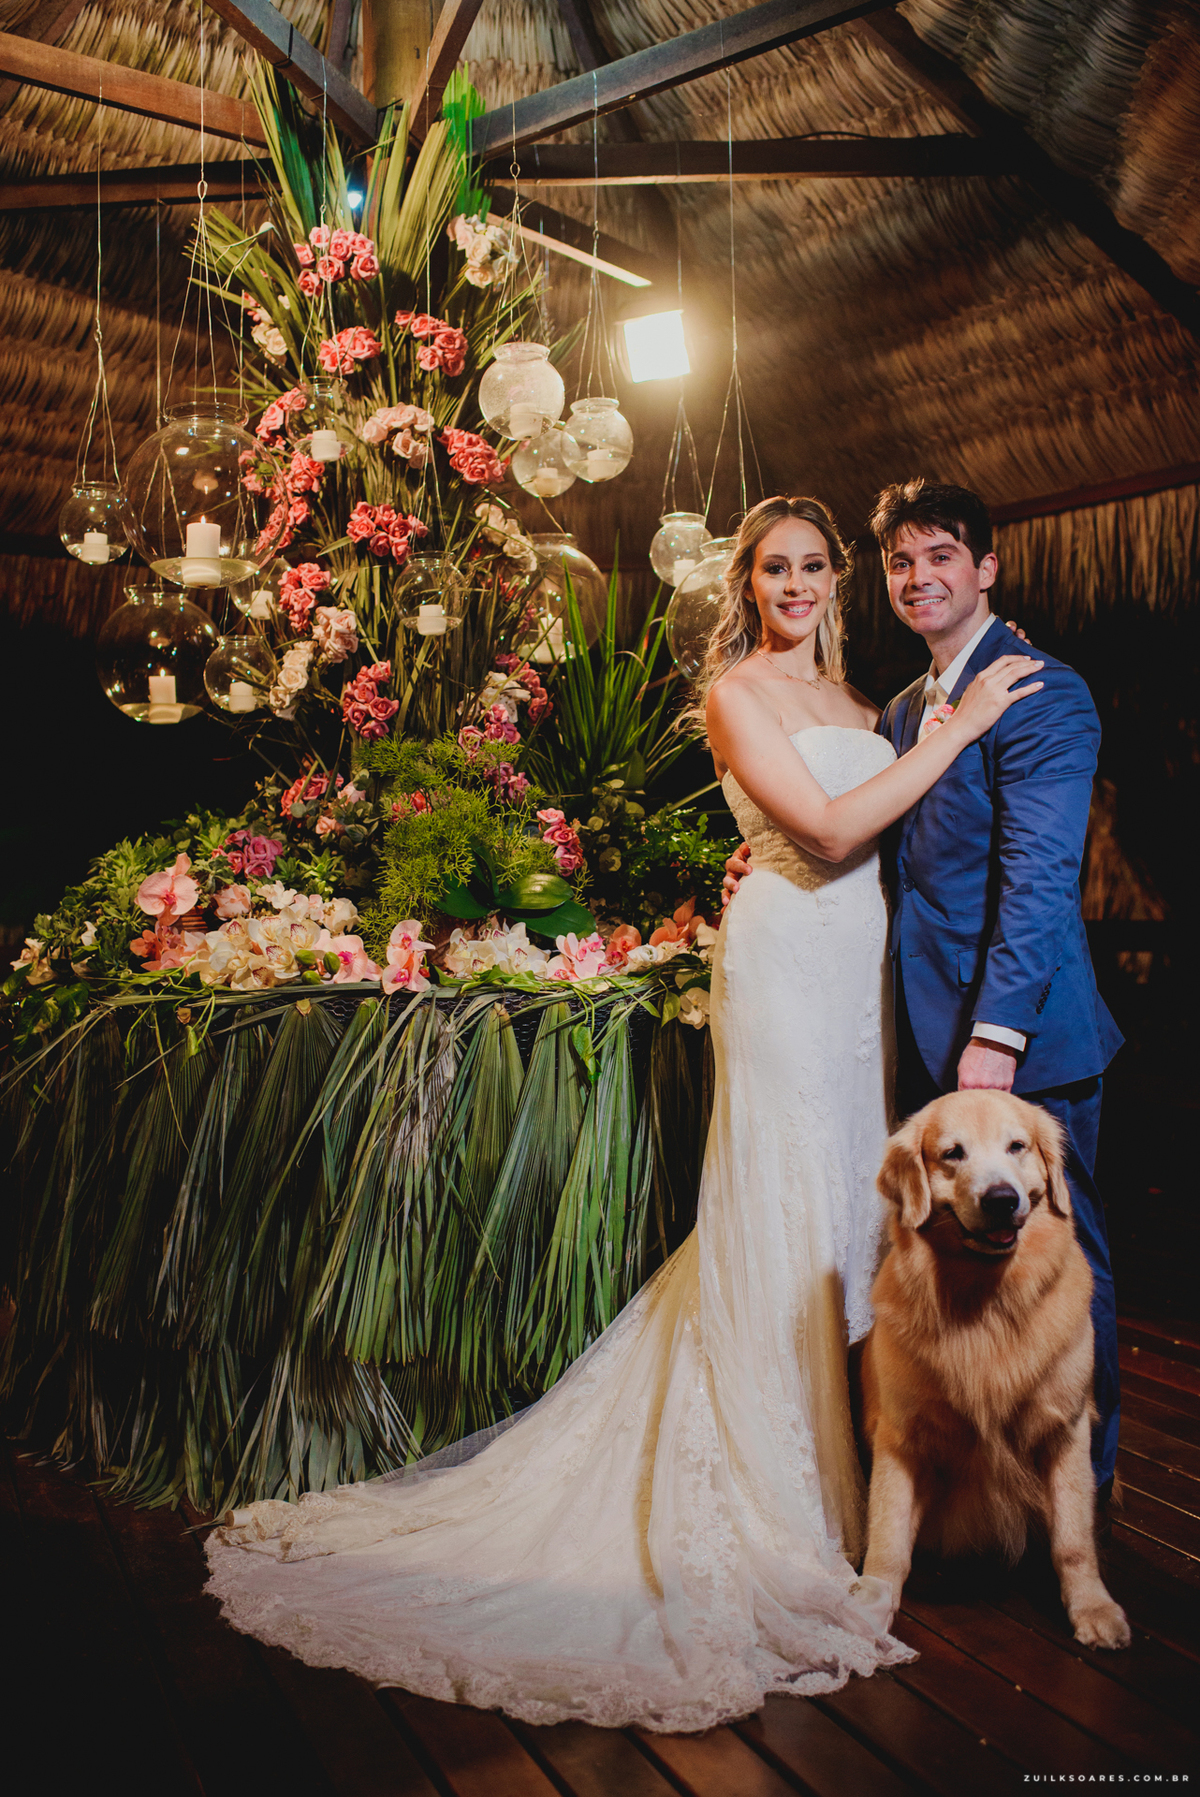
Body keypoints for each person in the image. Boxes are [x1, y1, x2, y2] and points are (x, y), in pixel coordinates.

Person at [206, 496, 1039, 1733]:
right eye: (774, 568)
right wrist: (960, 730)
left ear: (836, 581)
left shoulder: (868, 705)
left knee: (842, 1205)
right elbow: (822, 830)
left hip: (857, 968)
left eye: (814, 566)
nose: (796, 585)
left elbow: (892, 840)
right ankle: (768, 1490)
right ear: (748, 585)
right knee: (777, 1192)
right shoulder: (738, 694)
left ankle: (859, 1479)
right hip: (782, 962)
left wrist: (925, 748)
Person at [724, 480, 1121, 1491]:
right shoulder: (902, 709)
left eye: (942, 556)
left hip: (1016, 1037)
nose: (919, 577)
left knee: (1066, 1269)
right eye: (902, 561)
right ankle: (973, 1497)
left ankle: (1083, 1507)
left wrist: (998, 1035)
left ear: (985, 568)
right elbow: (863, 837)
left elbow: (1039, 882)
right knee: (948, 1276)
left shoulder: (1038, 689)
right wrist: (761, 858)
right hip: (907, 1029)